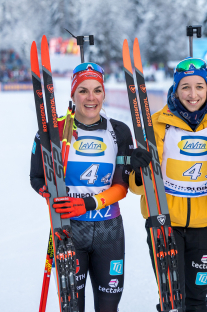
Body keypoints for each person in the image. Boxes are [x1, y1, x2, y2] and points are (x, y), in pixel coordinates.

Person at [129, 57, 207, 312]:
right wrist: (137, 170)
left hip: (206, 224)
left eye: (199, 87)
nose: (193, 94)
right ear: (175, 89)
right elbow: (137, 188)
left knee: (197, 300)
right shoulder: (157, 123)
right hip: (164, 221)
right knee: (171, 299)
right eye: (185, 87)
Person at [30, 63, 133, 312]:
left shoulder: (119, 131)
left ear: (104, 93)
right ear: (73, 94)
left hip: (109, 230)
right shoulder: (52, 130)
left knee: (108, 308)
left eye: (97, 90)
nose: (91, 98)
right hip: (68, 230)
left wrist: (89, 203)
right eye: (83, 91)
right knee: (72, 308)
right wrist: (50, 195)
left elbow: (121, 187)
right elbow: (36, 178)